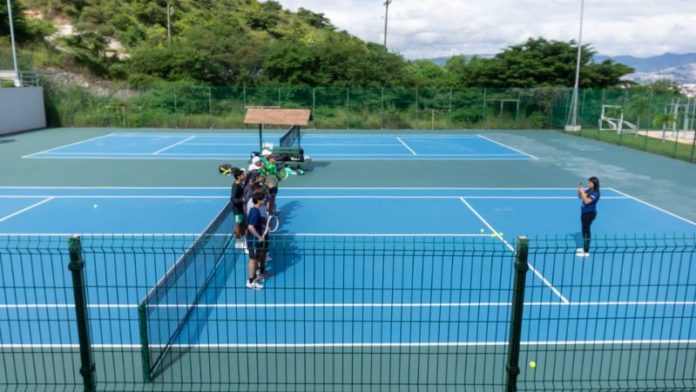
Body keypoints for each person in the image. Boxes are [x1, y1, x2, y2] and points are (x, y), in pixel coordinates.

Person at [246, 192, 268, 289]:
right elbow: (250, 227)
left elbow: (256, 221)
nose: (265, 200)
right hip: (254, 241)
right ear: (259, 200)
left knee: (256, 259)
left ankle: (256, 276)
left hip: (254, 240)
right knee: (253, 260)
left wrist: (265, 221)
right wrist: (259, 237)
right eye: (263, 199)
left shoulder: (255, 210)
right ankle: (251, 281)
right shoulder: (255, 212)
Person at [577, 176, 600, 257]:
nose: (588, 184)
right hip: (584, 213)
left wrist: (582, 192)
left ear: (594, 184)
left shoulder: (596, 193)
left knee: (586, 231)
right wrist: (580, 190)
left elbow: (586, 201)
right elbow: (580, 197)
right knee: (584, 230)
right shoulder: (590, 190)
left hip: (590, 214)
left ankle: (586, 251)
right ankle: (584, 248)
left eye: (590, 182)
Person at [230, 169, 246, 250]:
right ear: (238, 177)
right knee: (238, 224)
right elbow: (233, 199)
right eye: (243, 175)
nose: (244, 175)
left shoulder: (241, 183)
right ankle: (238, 241)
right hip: (237, 209)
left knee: (242, 223)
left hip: (241, 207)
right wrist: (242, 200)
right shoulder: (235, 186)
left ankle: (242, 238)